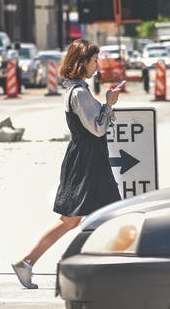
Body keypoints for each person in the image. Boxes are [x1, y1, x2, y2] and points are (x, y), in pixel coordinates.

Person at [12, 39, 121, 289]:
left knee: (76, 219)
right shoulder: (80, 93)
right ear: (83, 63)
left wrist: (105, 106)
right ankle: (95, 270)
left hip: (87, 159)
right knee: (93, 216)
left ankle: (29, 263)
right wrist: (109, 104)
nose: (98, 64)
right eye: (94, 60)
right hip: (88, 162)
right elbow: (97, 128)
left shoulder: (77, 89)